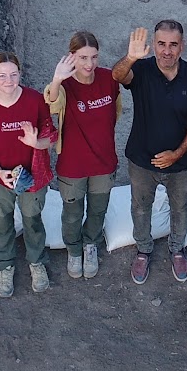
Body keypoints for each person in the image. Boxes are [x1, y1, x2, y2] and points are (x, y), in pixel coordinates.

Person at [113, 20, 187, 285]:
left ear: (182, 46)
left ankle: (177, 248)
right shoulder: (141, 70)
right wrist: (131, 57)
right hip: (142, 160)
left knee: (181, 207)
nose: (166, 51)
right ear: (154, 45)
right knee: (140, 207)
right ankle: (144, 249)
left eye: (173, 45)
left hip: (181, 164)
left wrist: (177, 153)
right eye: (161, 44)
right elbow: (118, 76)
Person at [0, 51, 57, 299]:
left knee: (32, 219)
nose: (9, 80)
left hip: (31, 176)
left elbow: (50, 136)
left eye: (13, 74)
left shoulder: (34, 100)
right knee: (2, 221)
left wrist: (35, 143)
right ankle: (5, 266)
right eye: (2, 76)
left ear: (20, 74)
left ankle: (36, 262)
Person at [44, 30, 121, 282]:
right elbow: (52, 106)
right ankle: (74, 249)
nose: (89, 64)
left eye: (94, 57)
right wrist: (56, 79)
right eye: (83, 57)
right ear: (72, 57)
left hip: (103, 162)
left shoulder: (109, 79)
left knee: (98, 210)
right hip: (73, 165)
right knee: (72, 213)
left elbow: (115, 113)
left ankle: (90, 245)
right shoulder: (64, 85)